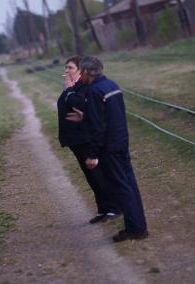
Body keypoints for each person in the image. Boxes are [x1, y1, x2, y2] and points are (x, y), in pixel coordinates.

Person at [66, 56, 148, 242]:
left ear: (86, 72)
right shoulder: (112, 85)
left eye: (82, 73)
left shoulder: (94, 91)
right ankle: (138, 226)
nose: (81, 77)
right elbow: (109, 116)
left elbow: (99, 127)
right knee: (130, 185)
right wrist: (85, 116)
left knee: (122, 188)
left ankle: (135, 229)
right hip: (121, 142)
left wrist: (92, 154)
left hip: (109, 147)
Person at [57, 56, 120, 224]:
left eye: (70, 67)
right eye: (65, 68)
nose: (66, 71)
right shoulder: (75, 86)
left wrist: (69, 90)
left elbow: (79, 105)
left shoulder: (85, 87)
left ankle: (113, 207)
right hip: (74, 139)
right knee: (91, 177)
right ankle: (102, 209)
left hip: (85, 138)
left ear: (80, 70)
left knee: (98, 174)